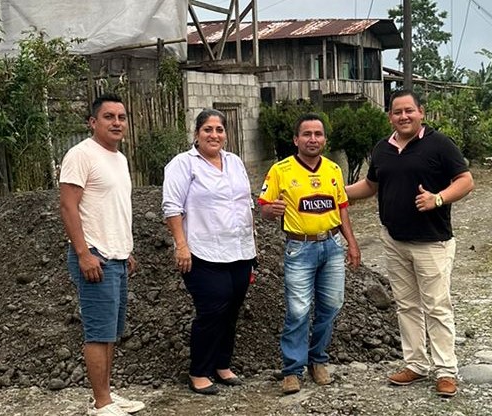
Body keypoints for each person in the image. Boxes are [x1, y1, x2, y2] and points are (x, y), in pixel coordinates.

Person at [345, 90, 474, 398]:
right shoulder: (382, 148)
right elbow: (371, 185)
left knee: (437, 307)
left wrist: (438, 198)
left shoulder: (440, 144)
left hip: (432, 242)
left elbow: (466, 181)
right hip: (394, 240)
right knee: (406, 305)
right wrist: (335, 190)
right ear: (390, 116)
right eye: (397, 112)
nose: (403, 116)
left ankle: (446, 370)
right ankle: (415, 364)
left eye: (409, 111)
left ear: (421, 113)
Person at [58, 94, 144, 416]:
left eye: (121, 117)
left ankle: (105, 394)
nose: (117, 122)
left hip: (116, 256)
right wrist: (83, 253)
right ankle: (101, 405)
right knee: (98, 333)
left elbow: (111, 208)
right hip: (95, 257)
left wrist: (126, 250)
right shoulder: (81, 155)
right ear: (93, 122)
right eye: (109, 116)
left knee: (110, 333)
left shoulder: (119, 158)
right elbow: (68, 206)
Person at [259, 113, 361, 395]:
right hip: (299, 248)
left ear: (324, 139)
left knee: (332, 305)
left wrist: (351, 243)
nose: (313, 139)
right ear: (296, 139)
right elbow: (264, 208)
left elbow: (342, 209)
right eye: (307, 134)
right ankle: (292, 370)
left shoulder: (333, 170)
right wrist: (271, 210)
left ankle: (318, 360)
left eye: (318, 134)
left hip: (332, 246)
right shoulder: (280, 170)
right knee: (298, 310)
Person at [162, 109, 257, 396]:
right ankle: (199, 371)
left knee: (232, 310)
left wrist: (254, 243)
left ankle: (222, 365)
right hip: (202, 252)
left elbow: (246, 204)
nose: (214, 135)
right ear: (196, 134)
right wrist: (181, 245)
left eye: (219, 130)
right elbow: (172, 207)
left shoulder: (234, 162)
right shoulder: (183, 164)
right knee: (212, 310)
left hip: (240, 250)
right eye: (207, 129)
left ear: (225, 134)